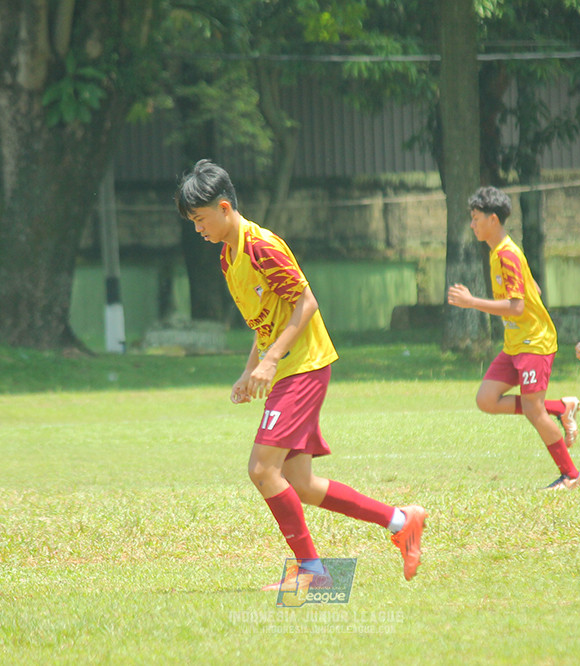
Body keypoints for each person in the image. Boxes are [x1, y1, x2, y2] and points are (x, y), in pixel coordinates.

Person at [175, 159, 426, 590]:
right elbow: (265, 320)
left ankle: (313, 573)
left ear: (223, 207)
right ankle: (402, 520)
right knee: (302, 484)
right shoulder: (227, 256)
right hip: (289, 367)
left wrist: (271, 361)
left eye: (199, 219)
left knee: (261, 469)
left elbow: (306, 303)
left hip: (304, 366)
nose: (197, 228)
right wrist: (250, 367)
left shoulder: (261, 246)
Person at [447, 186, 580, 490]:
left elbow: (518, 306)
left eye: (476, 218)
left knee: (534, 410)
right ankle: (561, 408)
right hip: (515, 344)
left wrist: (472, 302)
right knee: (486, 400)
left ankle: (571, 475)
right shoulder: (502, 252)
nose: (472, 225)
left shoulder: (507, 254)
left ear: (493, 219)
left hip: (534, 343)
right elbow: (534, 289)